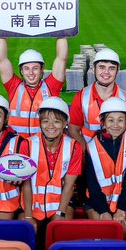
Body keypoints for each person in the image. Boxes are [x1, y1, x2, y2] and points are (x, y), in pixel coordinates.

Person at [83, 97, 126, 237]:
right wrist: (103, 211)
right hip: (97, 200)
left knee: (123, 230)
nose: (116, 124)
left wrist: (121, 208)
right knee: (103, 229)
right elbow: (92, 183)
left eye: (120, 120)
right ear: (102, 122)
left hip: (124, 199)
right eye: (111, 120)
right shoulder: (91, 146)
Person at [25, 97, 83, 230]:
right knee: (27, 228)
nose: (50, 126)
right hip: (33, 201)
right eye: (45, 121)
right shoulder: (27, 144)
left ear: (64, 124)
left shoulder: (74, 147)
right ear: (40, 123)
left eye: (56, 122)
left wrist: (60, 212)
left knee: (60, 227)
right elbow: (26, 183)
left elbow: (69, 185)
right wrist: (28, 215)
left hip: (63, 201)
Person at [0, 37, 68, 135]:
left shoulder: (51, 86)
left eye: (35, 68)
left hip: (42, 146)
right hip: (17, 145)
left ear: (42, 70)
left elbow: (62, 58)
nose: (31, 73)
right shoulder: (13, 86)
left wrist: (63, 32)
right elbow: (2, 59)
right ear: (21, 71)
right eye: (26, 68)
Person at [71, 48, 126, 141]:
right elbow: (73, 130)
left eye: (111, 68)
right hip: (89, 152)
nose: (106, 72)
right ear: (94, 69)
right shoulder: (81, 97)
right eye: (102, 67)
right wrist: (86, 150)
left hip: (117, 153)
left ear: (117, 70)